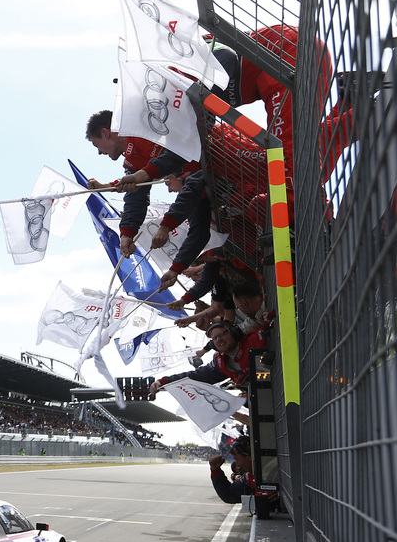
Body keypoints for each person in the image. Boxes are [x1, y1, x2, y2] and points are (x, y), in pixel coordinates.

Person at [84, 110, 213, 291]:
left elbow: (176, 153)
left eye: (96, 144)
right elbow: (135, 198)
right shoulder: (131, 161)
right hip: (208, 184)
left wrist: (166, 226)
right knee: (197, 222)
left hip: (223, 160)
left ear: (106, 133)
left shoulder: (149, 126)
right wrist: (126, 234)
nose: (99, 152)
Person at [149, 321, 267, 393]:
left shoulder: (254, 338)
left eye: (222, 334)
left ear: (233, 333)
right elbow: (194, 377)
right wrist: (164, 382)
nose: (219, 340)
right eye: (214, 339)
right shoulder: (221, 365)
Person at [209, 435, 255, 504]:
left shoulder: (269, 476)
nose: (238, 464)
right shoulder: (249, 479)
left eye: (237, 459)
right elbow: (229, 494)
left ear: (249, 457)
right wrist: (216, 470)